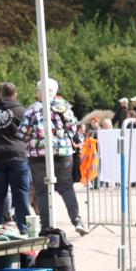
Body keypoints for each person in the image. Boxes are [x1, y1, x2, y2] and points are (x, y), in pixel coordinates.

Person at [18, 78, 87, 235]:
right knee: (66, 187)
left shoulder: (32, 110)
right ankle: (76, 220)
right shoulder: (65, 108)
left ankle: (46, 226)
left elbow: (22, 133)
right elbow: (74, 130)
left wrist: (33, 138)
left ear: (39, 93)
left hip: (38, 156)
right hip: (63, 155)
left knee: (42, 191)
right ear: (54, 92)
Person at [0, 82, 32, 233]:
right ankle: (25, 229)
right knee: (21, 193)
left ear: (0, 94)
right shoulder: (21, 111)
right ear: (14, 94)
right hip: (17, 156)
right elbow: (28, 133)